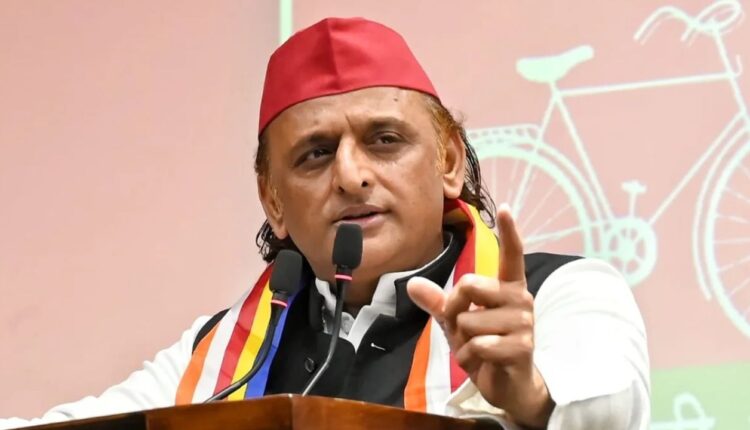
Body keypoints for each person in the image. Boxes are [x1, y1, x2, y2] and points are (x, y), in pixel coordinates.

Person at [0, 17, 649, 430]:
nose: (351, 175)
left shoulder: (561, 293)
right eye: (315, 154)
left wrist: (528, 394)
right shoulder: (223, 351)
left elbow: (610, 404)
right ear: (274, 202)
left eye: (385, 140)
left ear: (450, 161)